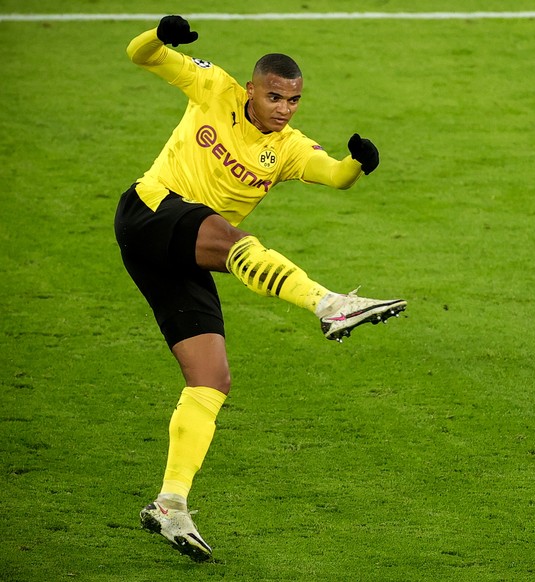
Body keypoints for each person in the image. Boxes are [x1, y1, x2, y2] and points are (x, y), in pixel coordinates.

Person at [115, 15, 406, 562]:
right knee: (233, 238)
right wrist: (160, 36)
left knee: (211, 378)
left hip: (180, 253)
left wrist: (359, 163)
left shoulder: (289, 147)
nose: (283, 109)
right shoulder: (213, 87)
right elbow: (140, 56)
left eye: (293, 100)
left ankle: (170, 502)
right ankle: (330, 304)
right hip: (151, 212)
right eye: (274, 97)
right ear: (251, 90)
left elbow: (336, 175)